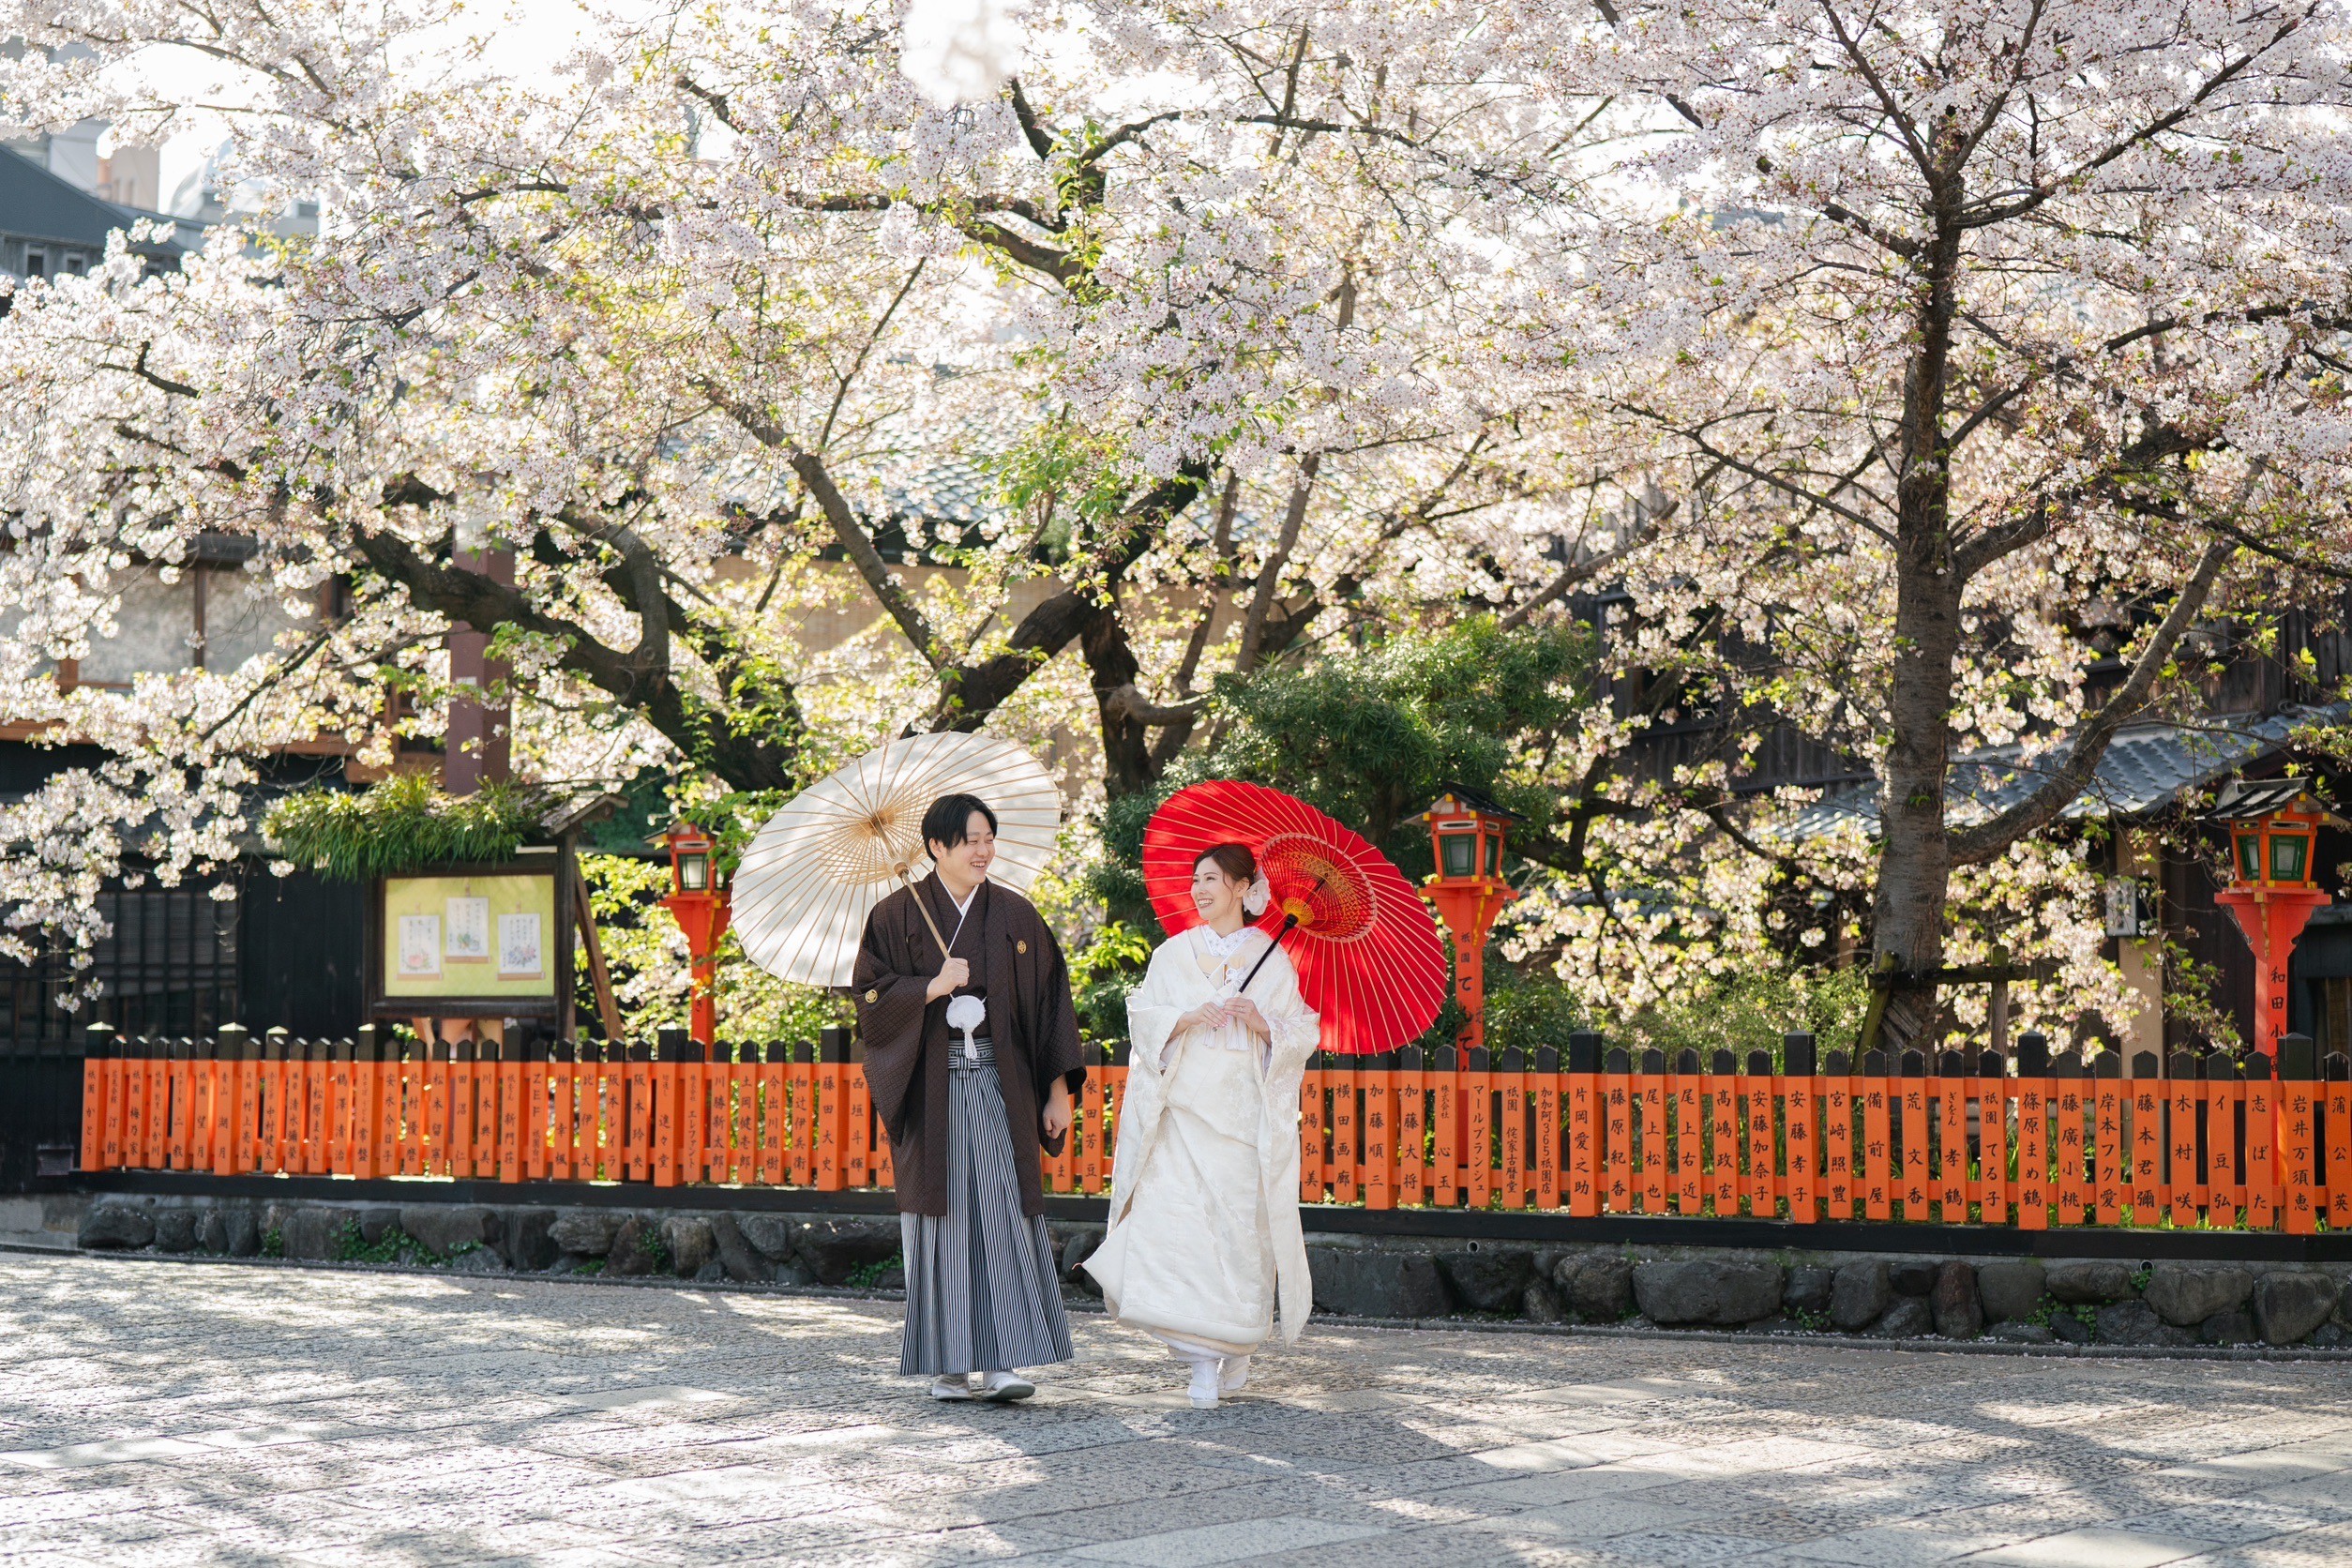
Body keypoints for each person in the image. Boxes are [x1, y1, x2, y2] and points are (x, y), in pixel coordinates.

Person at [852, 792, 1084, 1403]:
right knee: (943, 1214)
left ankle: (1003, 1360)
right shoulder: (894, 916)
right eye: (971, 840)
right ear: (936, 847)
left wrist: (1057, 1090)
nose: (984, 850)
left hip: (1002, 1084)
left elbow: (1050, 1005)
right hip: (931, 1086)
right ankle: (949, 1365)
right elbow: (870, 1005)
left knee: (1004, 1209)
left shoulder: (1015, 916)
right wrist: (931, 986)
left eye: (989, 839)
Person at [1083, 843, 1320, 1407]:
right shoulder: (1171, 955)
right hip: (1181, 1114)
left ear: (1243, 887)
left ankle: (1234, 1344)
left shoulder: (1273, 957)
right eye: (1196, 879)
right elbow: (1144, 1022)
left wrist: (1262, 1024)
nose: (1200, 888)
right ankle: (1199, 1361)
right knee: (1177, 1231)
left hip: (1240, 1115)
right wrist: (1188, 1016)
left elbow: (1301, 1034)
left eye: (1212, 878)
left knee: (1238, 1235)